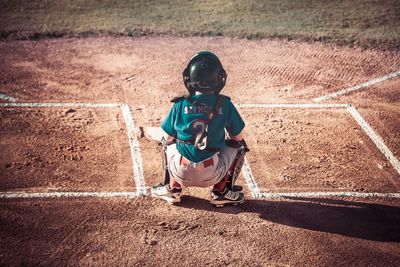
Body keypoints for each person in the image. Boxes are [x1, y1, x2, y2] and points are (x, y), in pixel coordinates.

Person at [151, 51, 249, 207]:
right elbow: (237, 138)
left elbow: (168, 138)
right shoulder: (225, 104)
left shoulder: (180, 104)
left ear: (189, 78)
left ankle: (172, 189)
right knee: (239, 146)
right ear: (219, 79)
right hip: (212, 174)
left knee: (167, 142)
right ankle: (220, 192)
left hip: (180, 171)